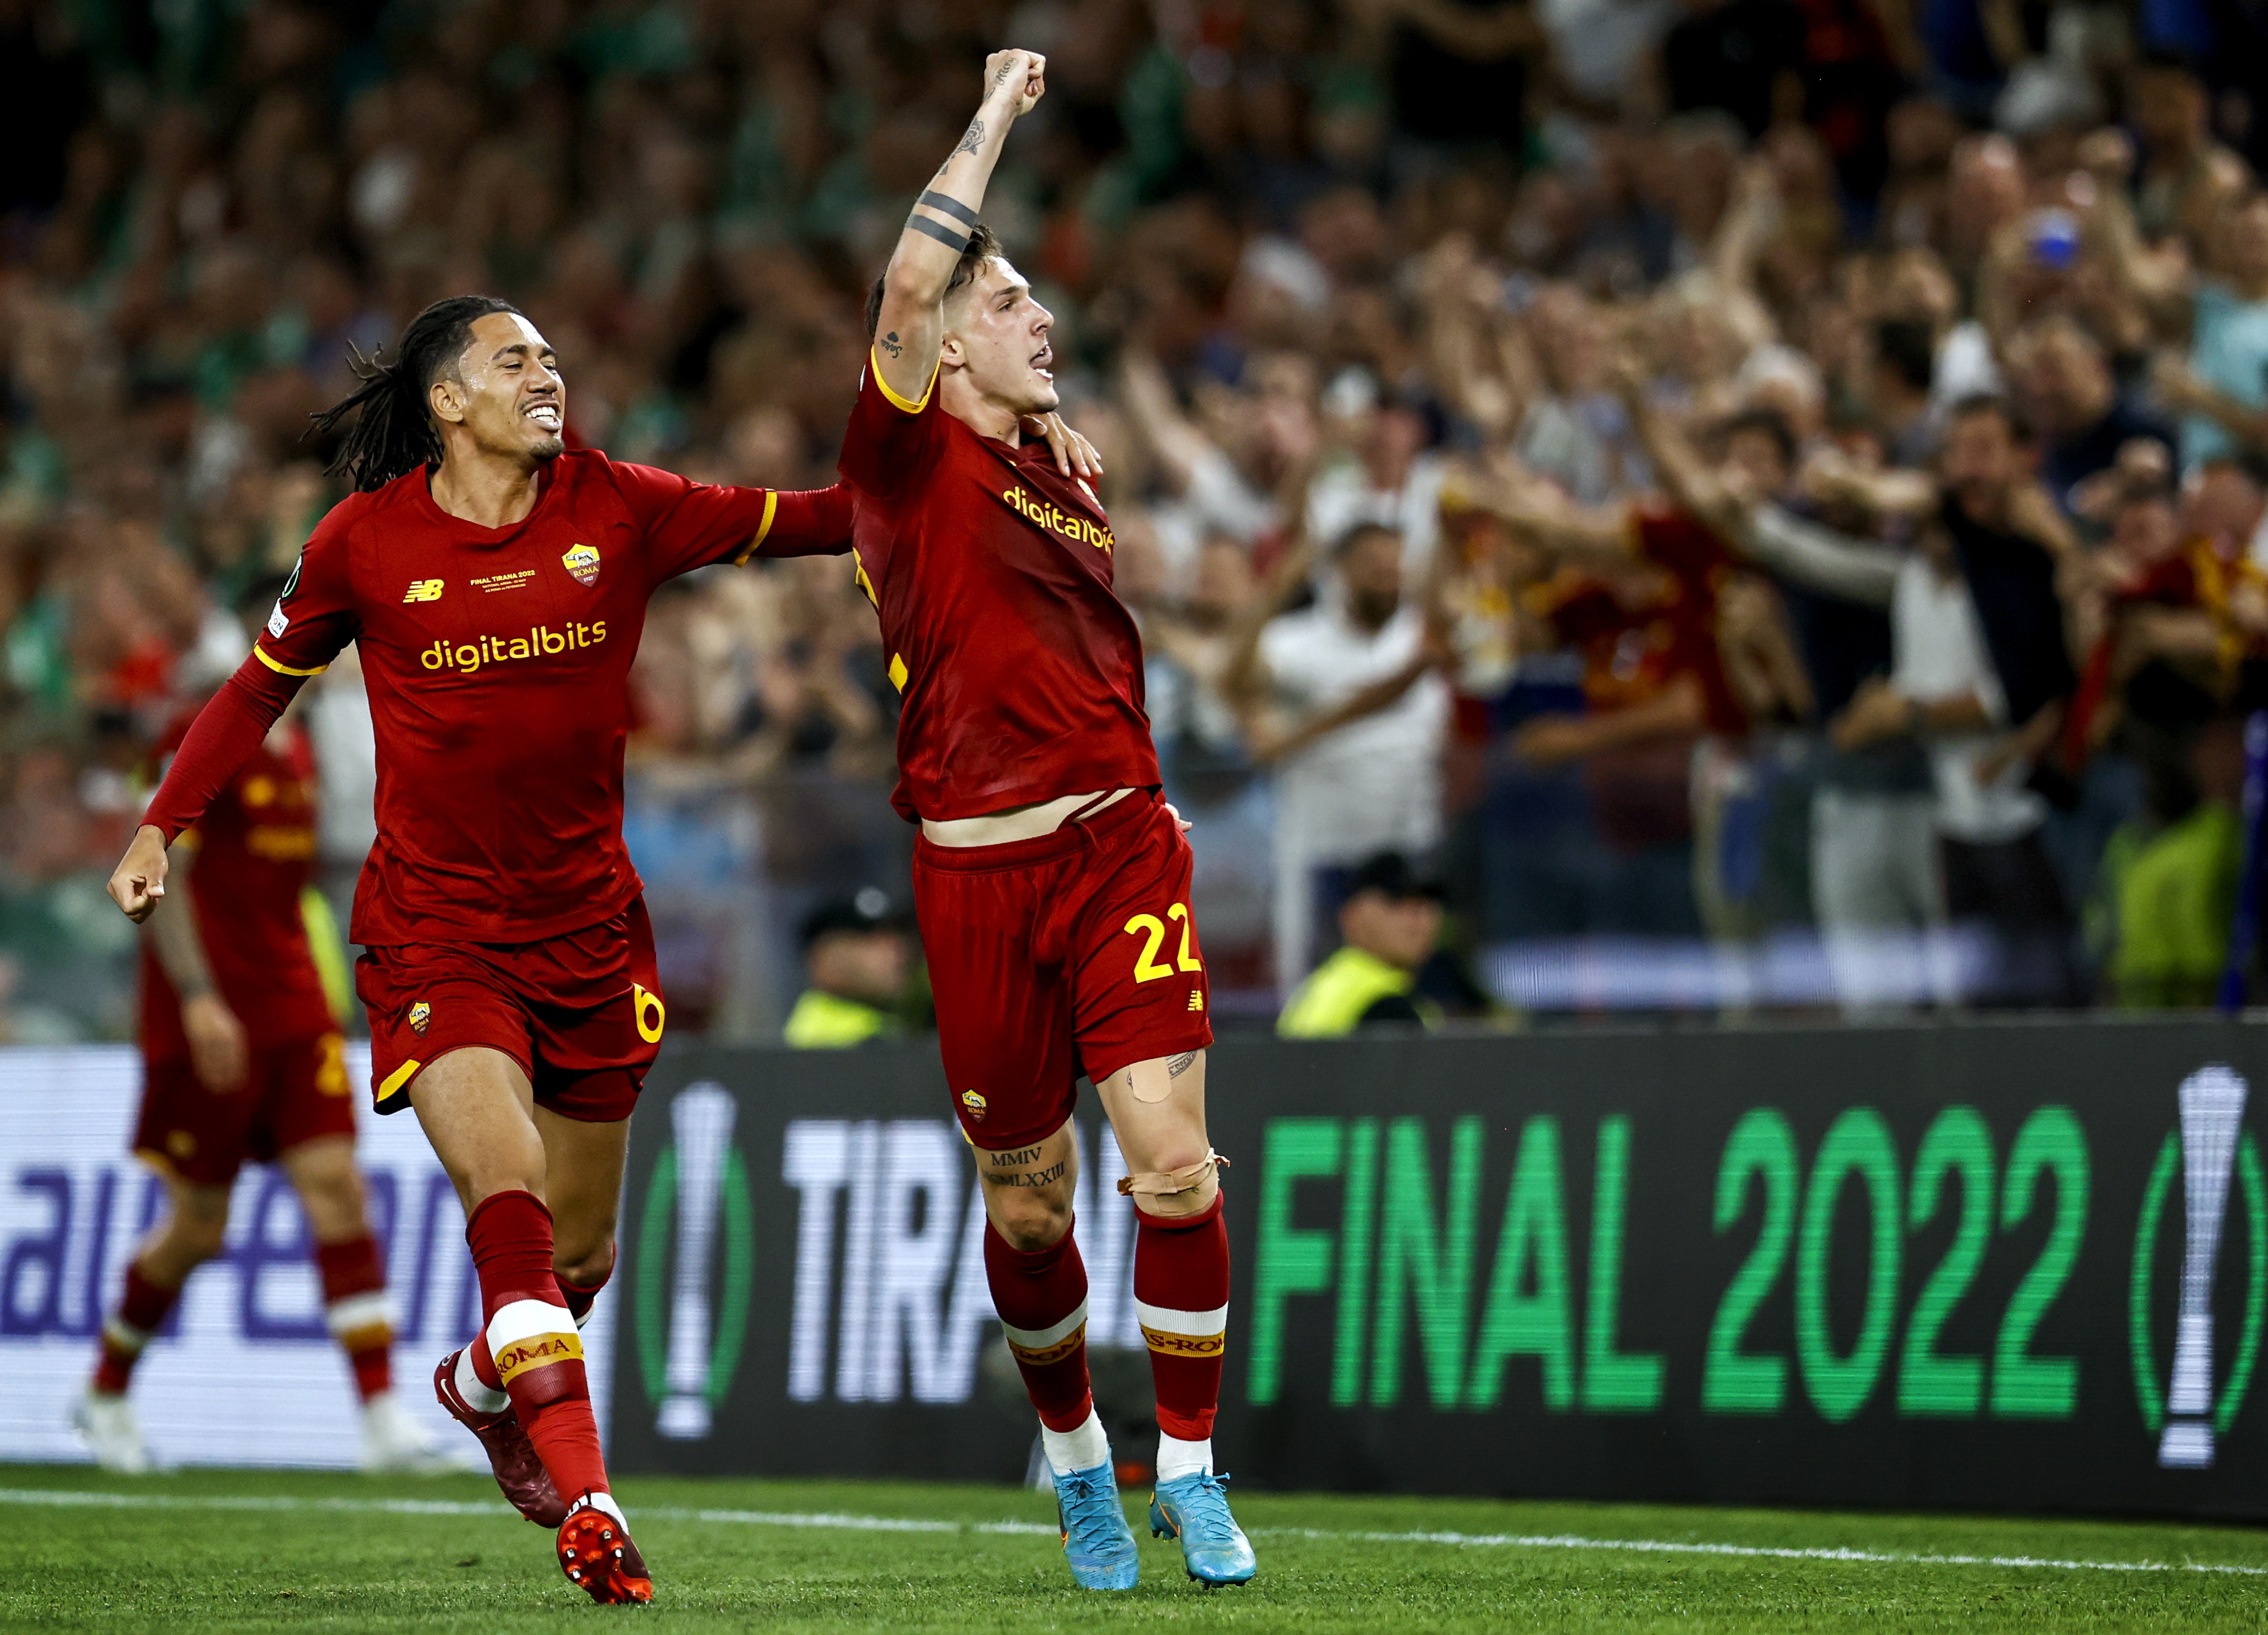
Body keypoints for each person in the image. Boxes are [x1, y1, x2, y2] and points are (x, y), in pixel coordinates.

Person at [102, 294, 872, 1604]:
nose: (547, 373)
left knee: (578, 1260)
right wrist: (162, 823)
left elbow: (827, 515)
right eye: (513, 358)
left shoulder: (620, 504)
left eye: (554, 356)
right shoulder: (364, 542)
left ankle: (475, 1382)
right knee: (503, 1192)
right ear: (446, 402)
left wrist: (969, 442)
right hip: (435, 931)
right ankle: (593, 1504)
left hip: (589, 932)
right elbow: (255, 691)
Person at [841, 48, 1254, 1591]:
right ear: (942, 350)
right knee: (1028, 1200)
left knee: (1172, 1162)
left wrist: (1049, 431)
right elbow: (906, 279)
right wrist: (1000, 114)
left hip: (1118, 843)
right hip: (970, 880)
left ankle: (1193, 1471)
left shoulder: (1065, 469)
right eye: (1011, 308)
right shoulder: (899, 456)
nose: (1044, 322)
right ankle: (1080, 1463)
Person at [75, 578, 439, 1476]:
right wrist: (198, 997)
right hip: (208, 1013)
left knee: (338, 1190)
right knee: (199, 1225)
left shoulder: (309, 748)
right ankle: (107, 1391)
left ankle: (383, 1415)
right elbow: (161, 872)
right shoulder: (198, 733)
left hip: (292, 1005)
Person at [1276, 851, 1445, 1036]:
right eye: (1397, 902)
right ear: (1352, 915)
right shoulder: (1384, 1004)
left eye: (1427, 904)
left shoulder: (1321, 987)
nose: (1420, 919)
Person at [782, 888, 909, 1048]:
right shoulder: (826, 1041)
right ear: (825, 959)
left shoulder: (883, 1025)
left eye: (898, 939)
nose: (898, 953)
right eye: (873, 941)